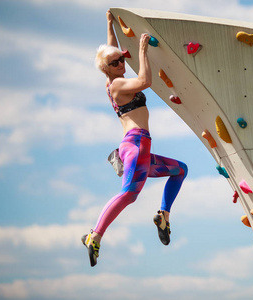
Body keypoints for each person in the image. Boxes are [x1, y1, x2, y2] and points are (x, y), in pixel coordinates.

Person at [81, 10, 188, 267]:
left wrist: (109, 23)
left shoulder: (114, 79)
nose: (122, 62)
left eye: (122, 59)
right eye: (117, 62)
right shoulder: (117, 85)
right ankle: (95, 235)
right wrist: (142, 50)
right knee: (129, 194)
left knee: (179, 170)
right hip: (137, 143)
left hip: (137, 146)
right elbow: (145, 80)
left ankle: (163, 216)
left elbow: (111, 50)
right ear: (107, 69)